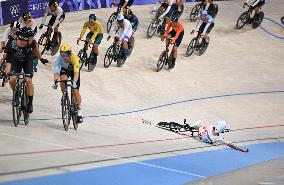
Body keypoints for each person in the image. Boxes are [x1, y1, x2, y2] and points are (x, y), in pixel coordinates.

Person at [7, 27, 37, 113]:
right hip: (16, 61)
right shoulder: (12, 44)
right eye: (31, 37)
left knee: (28, 80)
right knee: (12, 79)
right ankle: (16, 93)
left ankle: (30, 103)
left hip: (28, 61)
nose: (32, 39)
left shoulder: (32, 42)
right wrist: (8, 72)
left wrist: (40, 58)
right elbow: (8, 60)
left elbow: (36, 51)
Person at [53, 44, 83, 123]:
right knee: (62, 81)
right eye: (62, 55)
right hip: (65, 70)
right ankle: (64, 95)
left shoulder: (75, 58)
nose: (64, 57)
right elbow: (56, 72)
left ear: (70, 54)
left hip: (74, 71)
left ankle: (79, 110)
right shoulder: (59, 59)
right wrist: (55, 81)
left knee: (75, 91)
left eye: (66, 55)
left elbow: (76, 73)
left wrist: (74, 82)